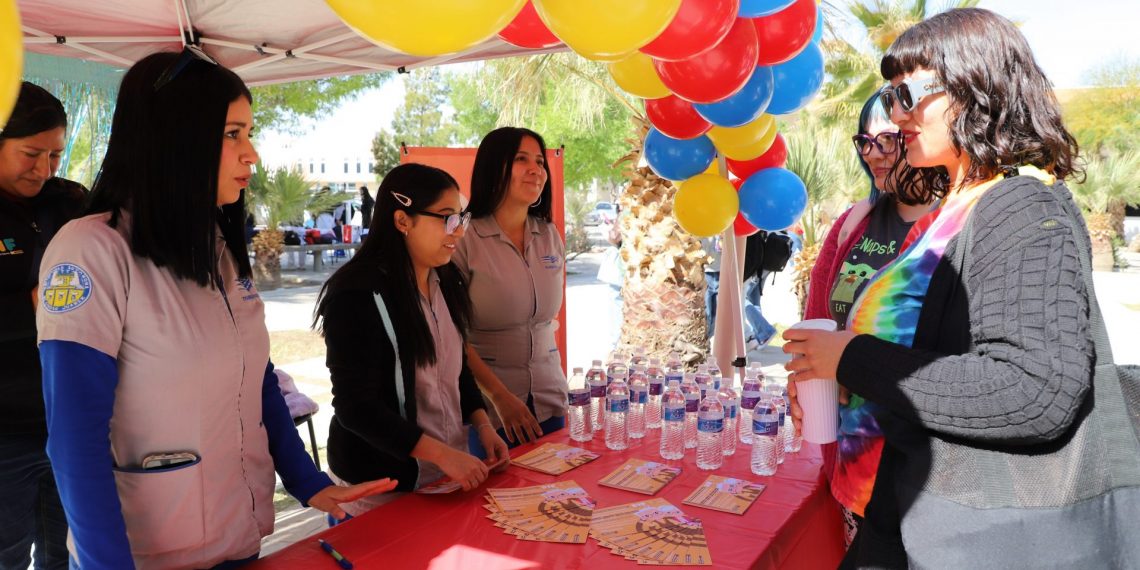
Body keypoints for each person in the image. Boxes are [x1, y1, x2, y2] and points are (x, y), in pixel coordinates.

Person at [36, 50, 394, 569]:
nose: (252, 155)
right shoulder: (91, 250)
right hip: (143, 556)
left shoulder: (218, 248)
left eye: (249, 134)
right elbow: (74, 440)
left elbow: (257, 380)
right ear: (174, 137)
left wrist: (309, 483)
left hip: (237, 539)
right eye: (232, 134)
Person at [783, 9, 1100, 567]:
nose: (895, 114)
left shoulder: (1020, 204)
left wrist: (851, 358)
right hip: (903, 509)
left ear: (973, 88)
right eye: (890, 96)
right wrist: (844, 378)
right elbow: (936, 352)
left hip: (964, 531)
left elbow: (1036, 389)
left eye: (907, 94)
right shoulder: (960, 206)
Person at [316, 163, 508, 511]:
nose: (458, 231)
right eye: (447, 218)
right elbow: (356, 407)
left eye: (461, 219)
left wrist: (483, 425)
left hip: (444, 475)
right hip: (380, 486)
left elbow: (455, 369)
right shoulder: (356, 293)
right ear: (403, 220)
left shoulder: (446, 280)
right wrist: (442, 454)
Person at [797, 90, 936, 545]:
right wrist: (806, 380)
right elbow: (817, 324)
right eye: (865, 142)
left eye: (888, 140)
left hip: (925, 472)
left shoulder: (951, 228)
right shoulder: (853, 223)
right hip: (854, 467)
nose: (874, 155)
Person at [0, 82, 86, 570]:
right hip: (4, 433)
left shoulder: (69, 203)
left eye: (54, 154)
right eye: (31, 154)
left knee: (69, 552)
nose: (44, 169)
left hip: (68, 420)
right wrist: (34, 304)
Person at [454, 127, 566, 449]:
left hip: (550, 401)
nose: (536, 170)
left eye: (540, 162)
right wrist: (499, 397)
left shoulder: (548, 234)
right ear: (494, 167)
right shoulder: (463, 237)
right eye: (521, 159)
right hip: (490, 414)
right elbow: (450, 335)